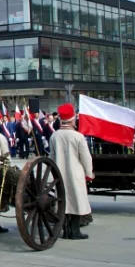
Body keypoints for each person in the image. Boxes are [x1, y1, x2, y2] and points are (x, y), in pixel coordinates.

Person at [50, 103, 93, 240]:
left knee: (64, 202)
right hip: (75, 174)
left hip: (59, 173)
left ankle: (66, 230)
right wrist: (89, 172)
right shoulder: (78, 136)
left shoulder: (54, 136)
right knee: (76, 201)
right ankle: (74, 231)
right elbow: (86, 157)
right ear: (72, 120)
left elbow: (51, 157)